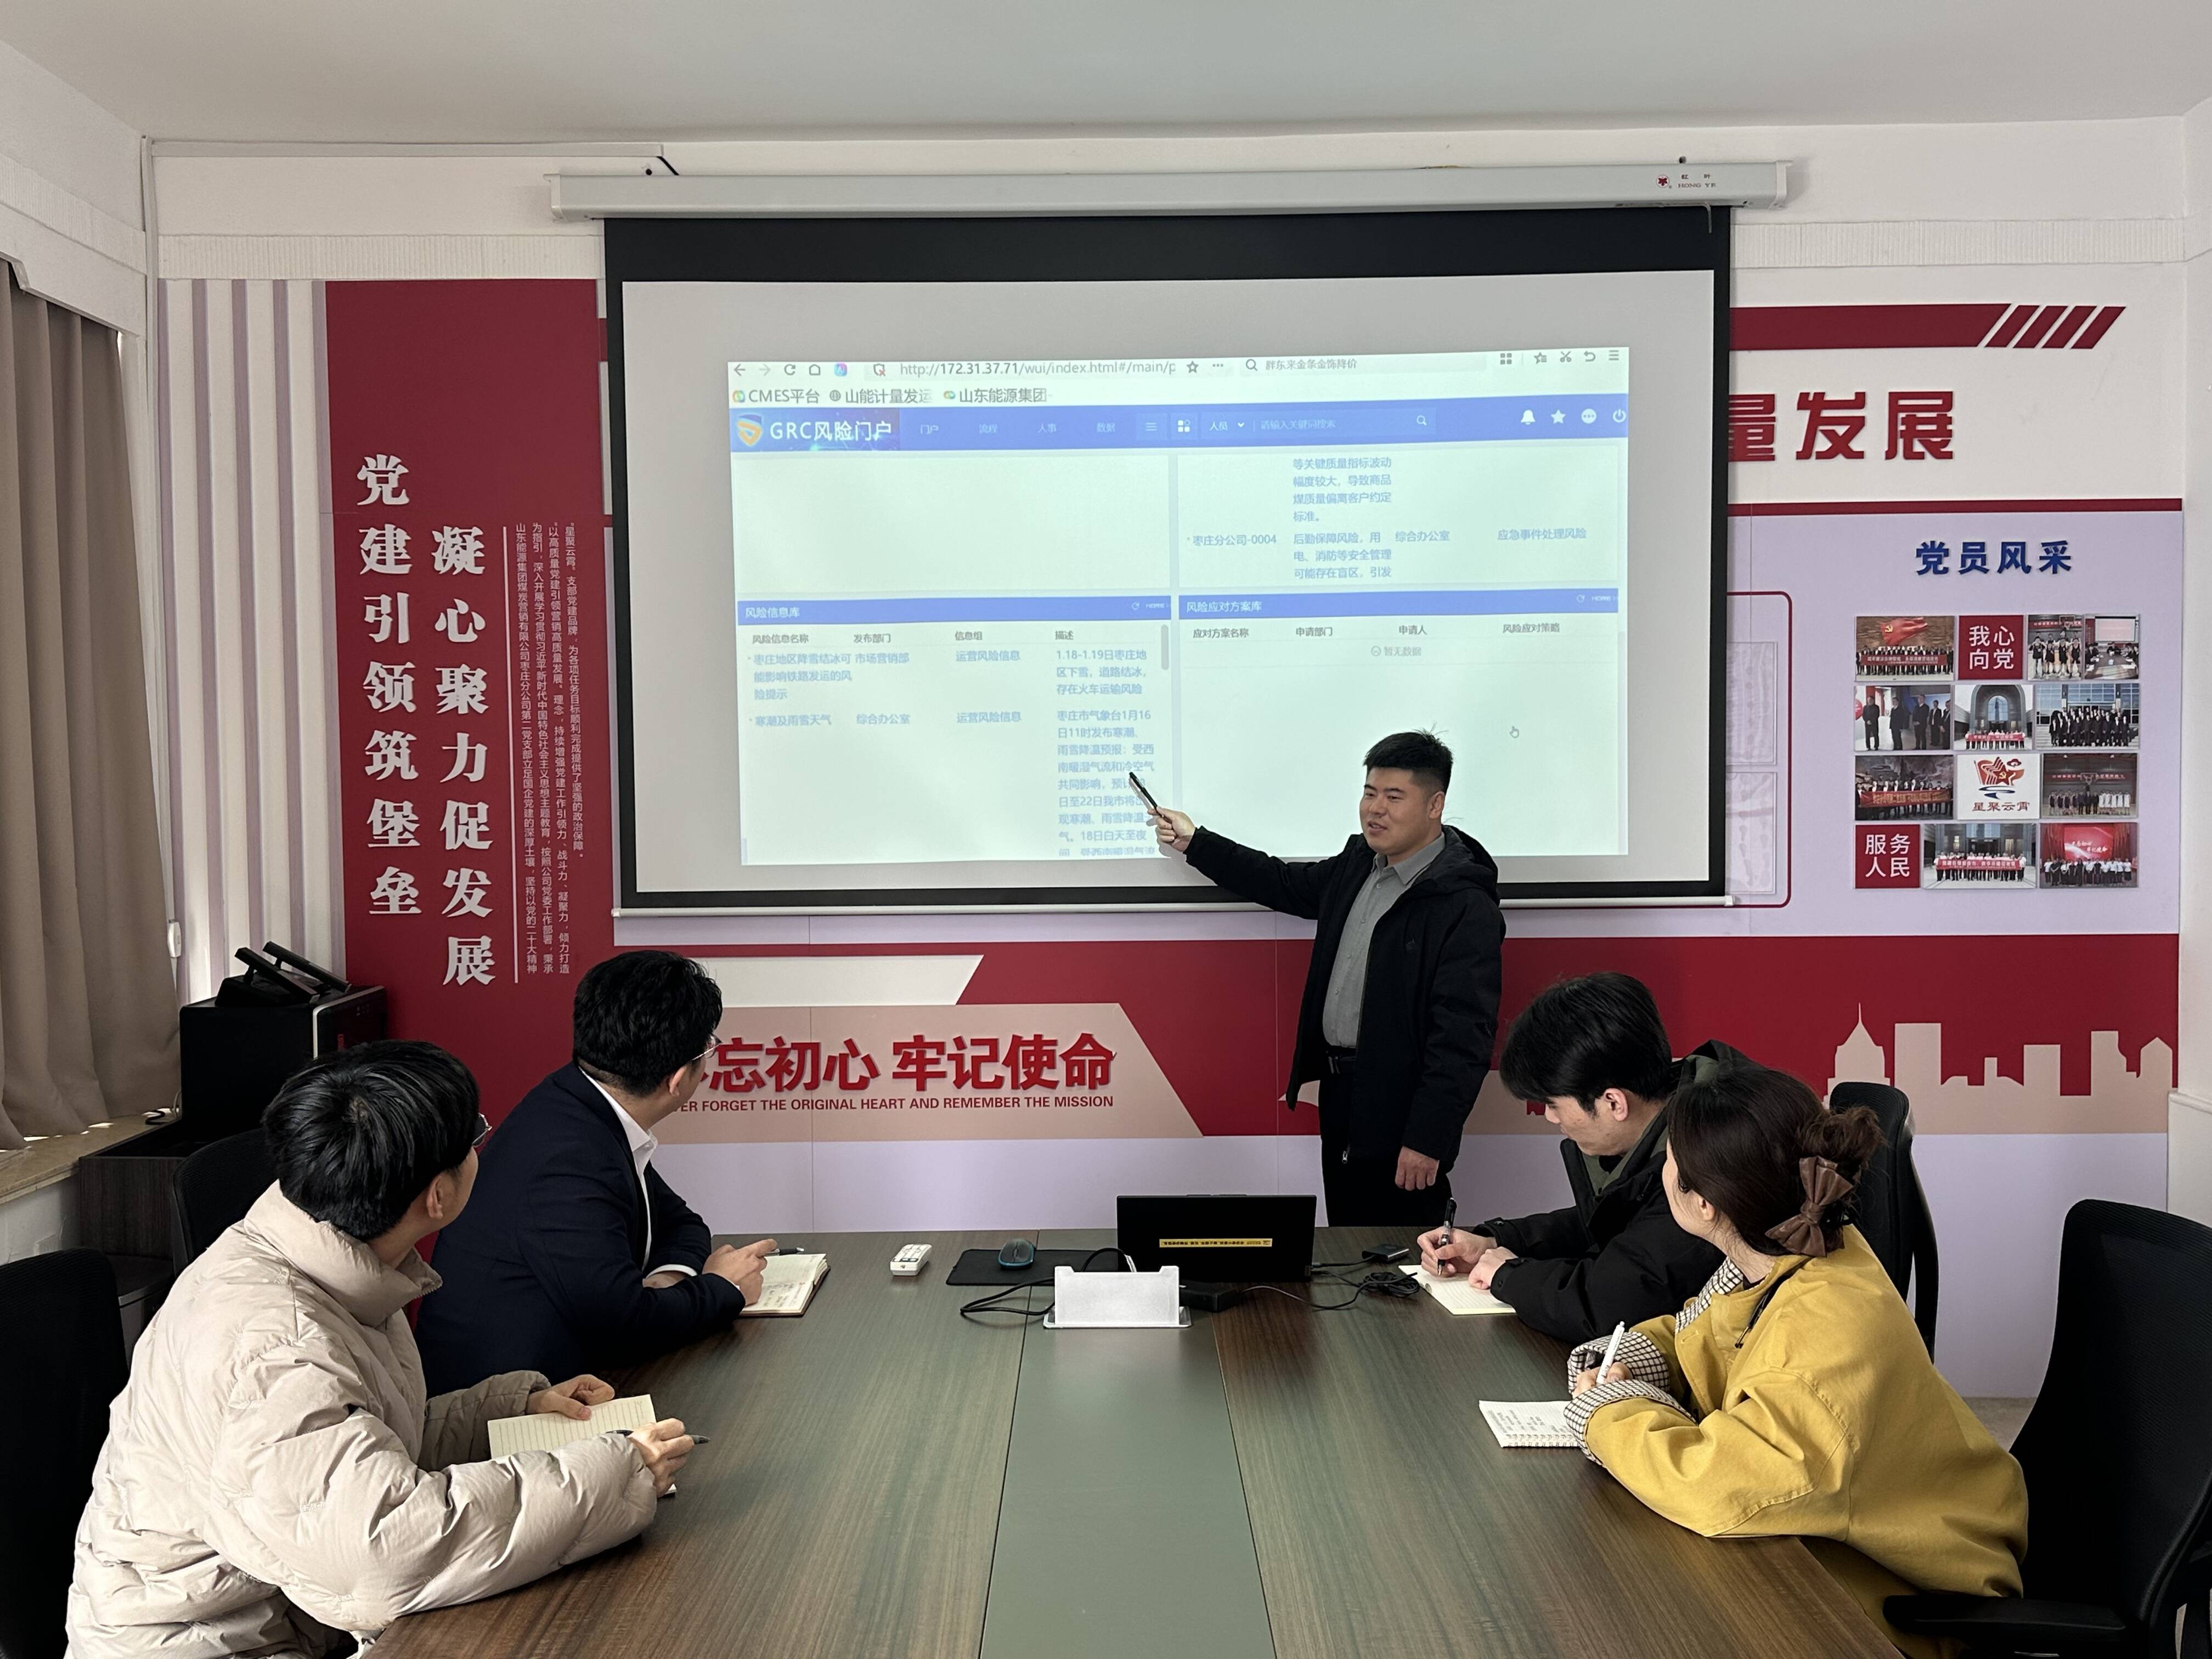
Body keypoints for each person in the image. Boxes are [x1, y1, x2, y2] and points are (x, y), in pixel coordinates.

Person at [69, 1041, 693, 1659]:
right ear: (437, 1197)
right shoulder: (277, 1351)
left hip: (276, 1619)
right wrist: (617, 1471)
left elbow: (353, 1449)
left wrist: (507, 1411)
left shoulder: (331, 1256)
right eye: (472, 1138)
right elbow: (387, 1553)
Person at [1559, 1064, 2025, 1659]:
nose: (1661, 1174)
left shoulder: (1820, 1334)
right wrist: (1633, 1358)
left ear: (1704, 1204)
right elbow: (1715, 1335)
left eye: (1669, 1163)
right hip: (1850, 1539)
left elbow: (1717, 1487)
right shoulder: (1790, 1254)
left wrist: (1608, 1412)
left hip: (1906, 1596)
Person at [1149, 730, 1503, 1226]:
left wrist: (1428, 1138)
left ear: (1435, 805)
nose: (1375, 810)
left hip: (1401, 1105)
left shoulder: (1462, 902)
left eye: (1394, 797)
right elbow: (1282, 882)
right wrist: (1197, 842)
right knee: (1345, 1243)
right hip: (1341, 1093)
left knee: (1405, 1251)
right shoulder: (1358, 865)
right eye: (1369, 793)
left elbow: (1463, 1037)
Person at [416, 950, 777, 1395]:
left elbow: (681, 1224)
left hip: (570, 1376)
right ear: (679, 1078)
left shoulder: (581, 1103)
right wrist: (722, 1288)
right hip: (504, 1409)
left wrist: (667, 1284)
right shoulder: (567, 1157)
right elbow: (623, 1327)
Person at [1415, 973, 1724, 1342]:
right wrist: (1494, 1241)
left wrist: (1509, 1274)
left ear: (1613, 1103)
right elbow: (1611, 1225)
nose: (1550, 1117)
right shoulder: (1679, 1110)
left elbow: (1611, 1305)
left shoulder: (1707, 1163)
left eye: (1553, 1104)